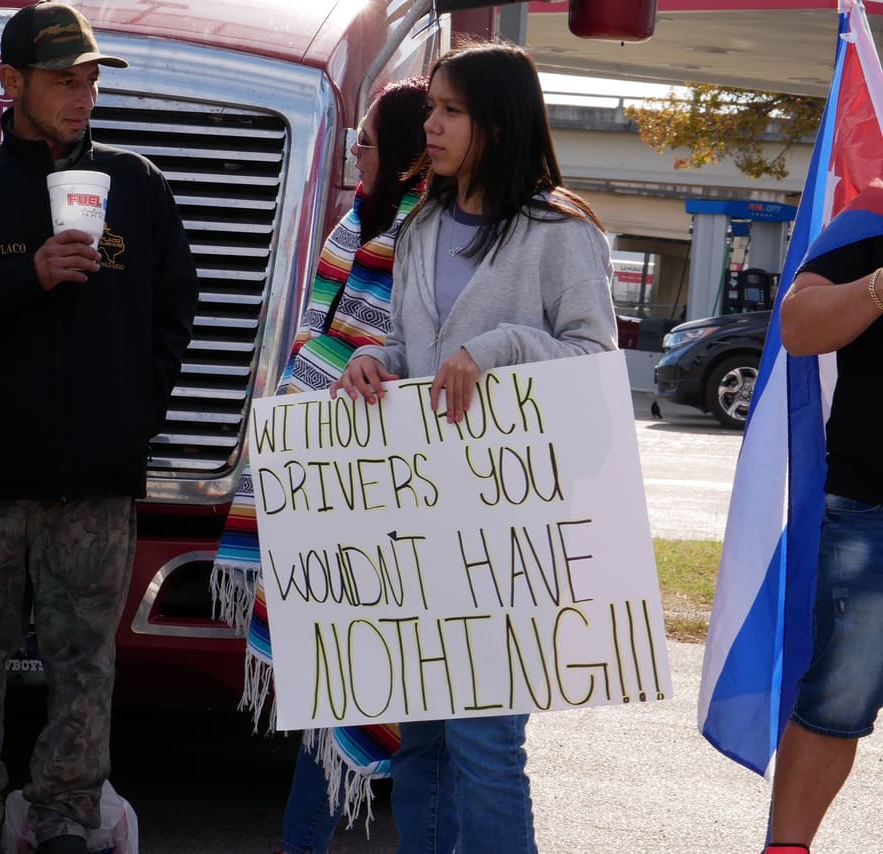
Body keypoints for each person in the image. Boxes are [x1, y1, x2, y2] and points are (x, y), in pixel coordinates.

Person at [0, 4, 198, 854]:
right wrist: (25, 277)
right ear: (10, 81)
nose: (83, 93)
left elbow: (179, 308)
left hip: (97, 479)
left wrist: (136, 413)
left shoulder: (136, 186)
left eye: (92, 77)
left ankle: (67, 820)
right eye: (64, 77)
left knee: (84, 664)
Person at [331, 40, 618, 854]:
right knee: (419, 740)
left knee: (488, 746)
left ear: (497, 122)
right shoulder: (419, 225)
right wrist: (371, 361)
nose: (431, 125)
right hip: (419, 523)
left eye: (450, 111)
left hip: (510, 531)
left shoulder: (559, 233)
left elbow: (594, 363)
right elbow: (417, 352)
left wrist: (501, 348)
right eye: (431, 110)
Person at [207, 77, 429, 854]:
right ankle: (304, 836)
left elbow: (407, 348)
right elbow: (315, 336)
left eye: (366, 142)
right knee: (319, 658)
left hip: (383, 481)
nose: (357, 153)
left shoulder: (425, 229)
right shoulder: (353, 223)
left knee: (360, 664)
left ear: (400, 150)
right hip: (317, 468)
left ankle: (312, 835)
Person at [762, 191, 883, 854]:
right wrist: (878, 286)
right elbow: (800, 327)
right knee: (838, 702)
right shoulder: (872, 216)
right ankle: (787, 849)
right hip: (872, 511)